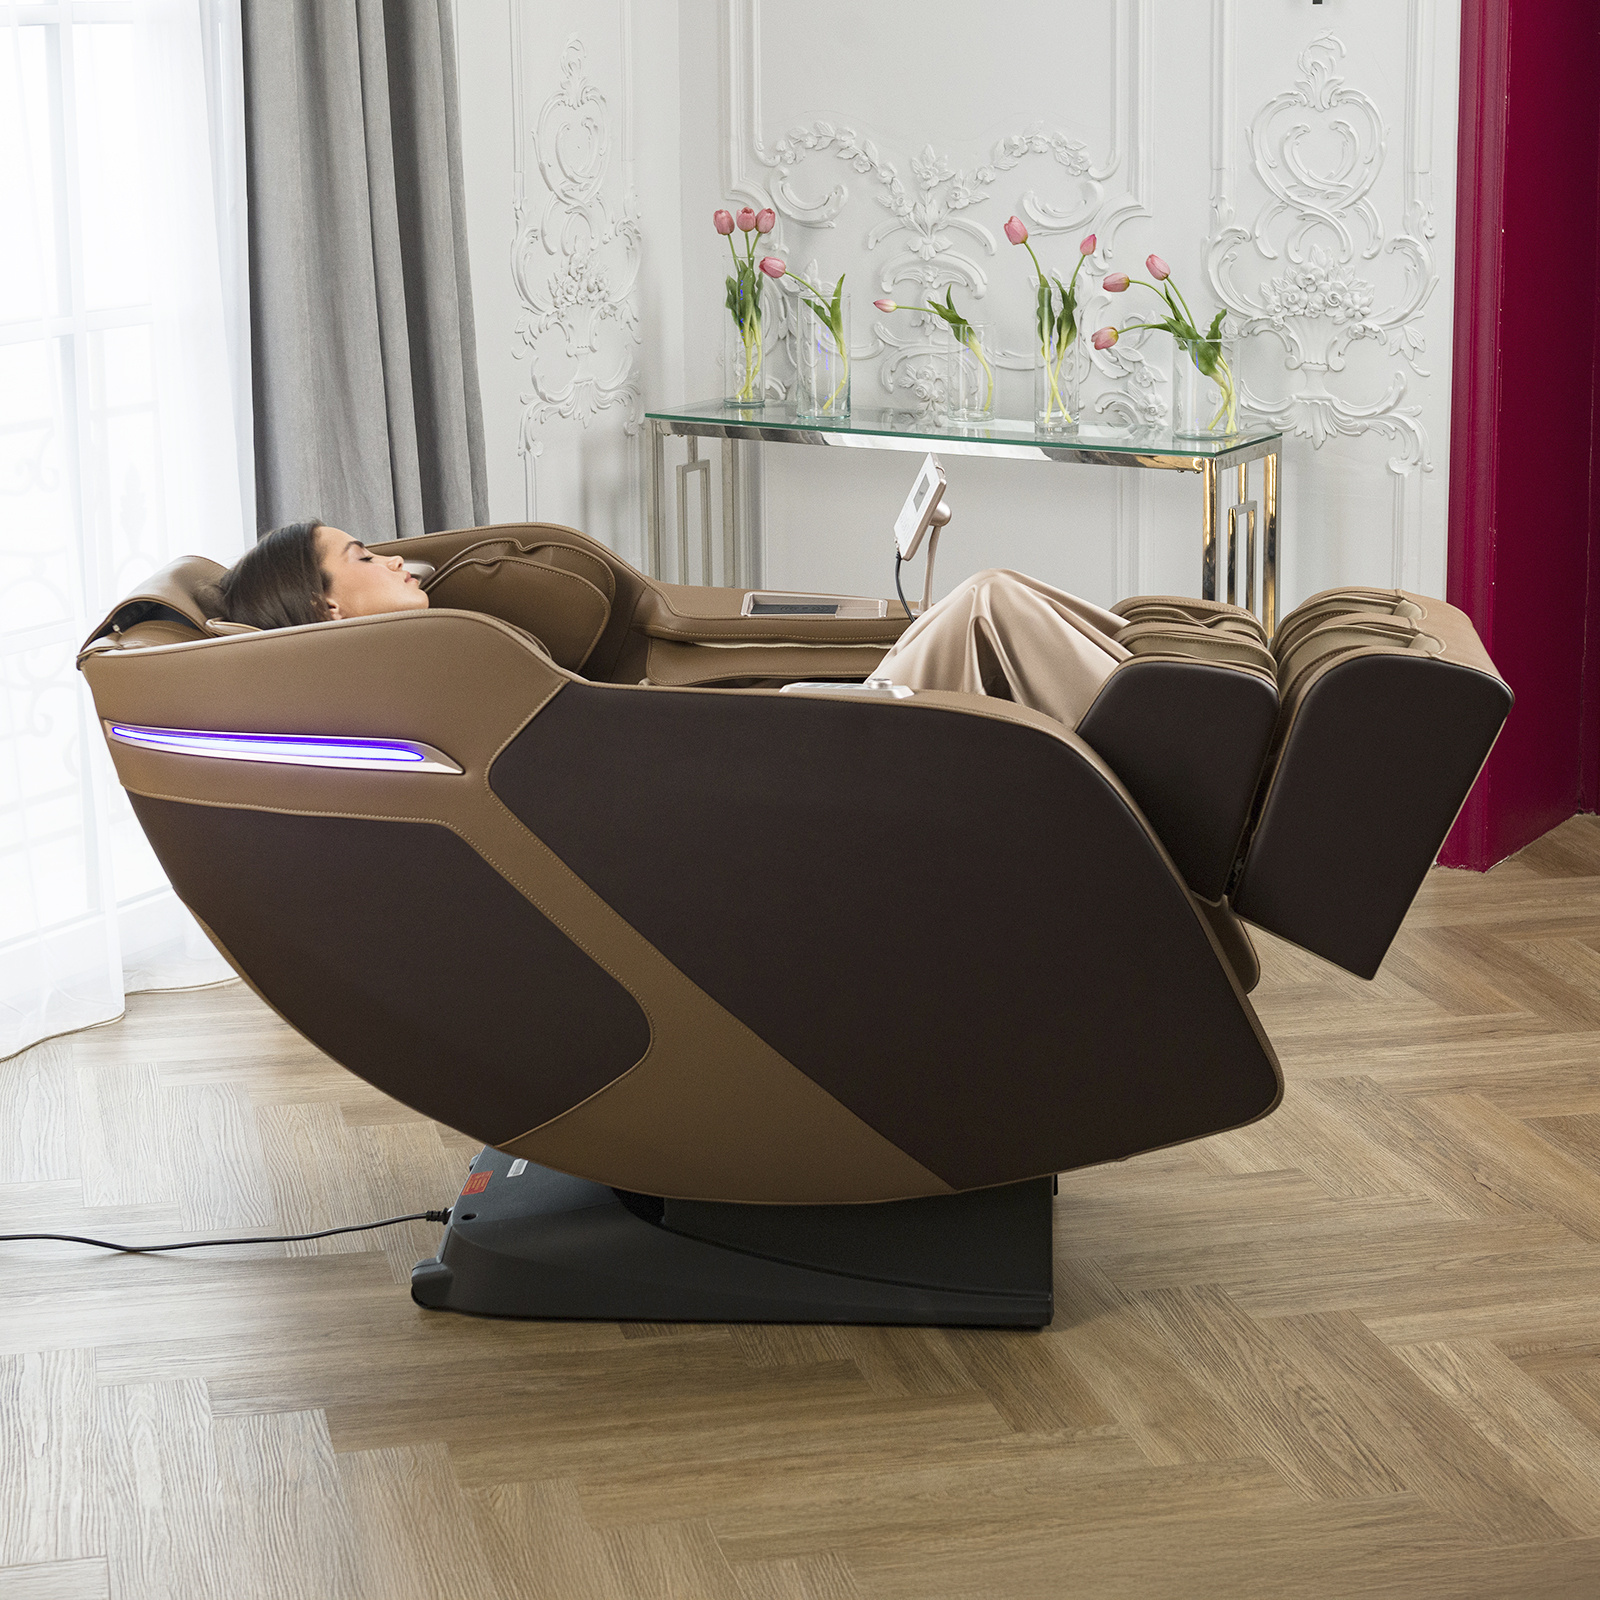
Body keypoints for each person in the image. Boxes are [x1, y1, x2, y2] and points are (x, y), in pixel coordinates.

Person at [214, 520, 1129, 728]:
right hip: (784, 757)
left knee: (993, 599)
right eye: (364, 556)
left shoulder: (411, 659)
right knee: (987, 601)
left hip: (772, 736)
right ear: (326, 606)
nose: (396, 562)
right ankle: (1161, 726)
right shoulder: (434, 655)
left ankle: (1149, 676)